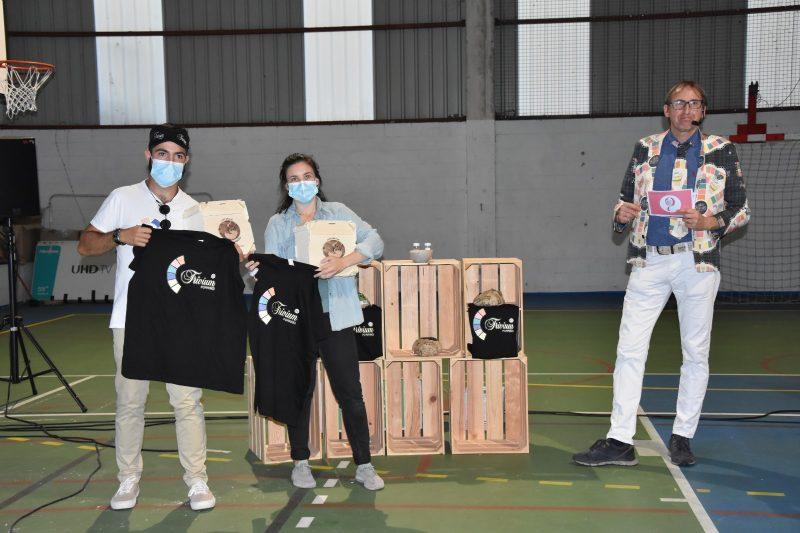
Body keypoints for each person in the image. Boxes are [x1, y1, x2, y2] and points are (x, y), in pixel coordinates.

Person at [573, 81, 750, 468]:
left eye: (694, 103)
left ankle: (683, 435)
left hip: (697, 263)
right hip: (648, 262)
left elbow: (741, 209)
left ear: (703, 111)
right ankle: (620, 439)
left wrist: (709, 221)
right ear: (666, 110)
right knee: (629, 350)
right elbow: (625, 201)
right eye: (679, 103)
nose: (687, 110)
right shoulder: (645, 147)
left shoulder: (721, 149)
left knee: (695, 353)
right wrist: (620, 215)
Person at [77, 124, 216, 511]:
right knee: (130, 402)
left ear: (187, 161)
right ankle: (128, 478)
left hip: (181, 321)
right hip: (132, 319)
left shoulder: (195, 210)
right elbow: (85, 244)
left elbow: (207, 268)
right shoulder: (122, 198)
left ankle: (197, 479)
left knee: (187, 402)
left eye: (178, 156)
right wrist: (119, 236)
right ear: (148, 155)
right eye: (162, 153)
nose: (170, 161)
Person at [247, 153, 385, 490]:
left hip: (336, 315)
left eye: (307, 176)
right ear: (286, 186)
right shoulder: (278, 223)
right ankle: (300, 461)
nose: (301, 183)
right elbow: (273, 271)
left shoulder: (339, 213)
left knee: (350, 393)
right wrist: (258, 272)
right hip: (296, 318)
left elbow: (375, 242)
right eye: (294, 179)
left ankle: (364, 465)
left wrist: (345, 261)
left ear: (317, 180)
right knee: (300, 390)